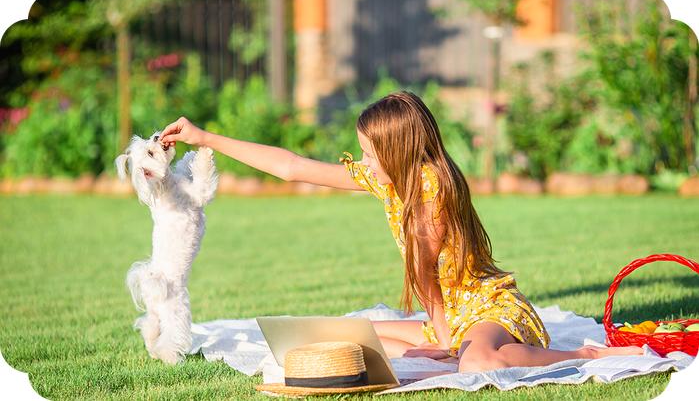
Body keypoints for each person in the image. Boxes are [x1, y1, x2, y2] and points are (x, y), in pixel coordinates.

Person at [159, 91, 642, 372]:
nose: (363, 163)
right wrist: (204, 138)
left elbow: (427, 271)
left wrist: (450, 340)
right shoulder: (390, 178)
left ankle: (576, 351)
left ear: (398, 151)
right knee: (325, 336)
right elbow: (291, 166)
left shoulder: (431, 189)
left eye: (369, 154)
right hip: (445, 315)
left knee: (477, 364)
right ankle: (446, 346)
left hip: (485, 309)